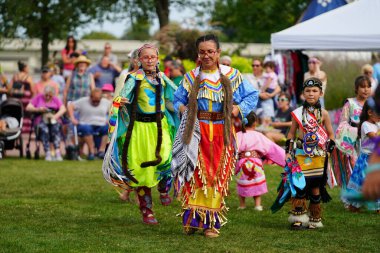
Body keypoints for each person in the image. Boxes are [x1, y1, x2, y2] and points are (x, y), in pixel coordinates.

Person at [172, 34, 258, 238]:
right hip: (196, 131)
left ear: (218, 52)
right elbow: (176, 99)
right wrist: (183, 109)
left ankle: (211, 223)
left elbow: (252, 95)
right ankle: (193, 219)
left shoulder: (231, 75)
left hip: (222, 131)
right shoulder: (192, 77)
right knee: (194, 173)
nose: (207, 55)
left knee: (216, 176)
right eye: (202, 52)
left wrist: (238, 109)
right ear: (198, 54)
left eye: (211, 51)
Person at [102, 44, 177, 225]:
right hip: (139, 130)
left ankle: (164, 186)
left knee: (168, 159)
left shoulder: (162, 77)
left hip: (160, 127)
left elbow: (178, 94)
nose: (150, 60)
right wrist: (120, 102)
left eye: (153, 57)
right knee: (141, 171)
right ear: (139, 60)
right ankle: (147, 210)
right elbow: (119, 98)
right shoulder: (134, 78)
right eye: (146, 57)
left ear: (158, 58)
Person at [281, 77, 335, 229]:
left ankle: (315, 218)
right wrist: (288, 152)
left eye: (315, 91)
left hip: (318, 155)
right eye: (308, 91)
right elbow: (291, 133)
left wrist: (329, 150)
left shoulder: (324, 114)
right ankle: (298, 217)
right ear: (303, 93)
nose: (311, 94)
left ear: (321, 93)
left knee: (315, 187)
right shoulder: (297, 114)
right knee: (299, 185)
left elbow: (331, 135)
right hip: (300, 154)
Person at [235, 111, 285, 211]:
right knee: (256, 182)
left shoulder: (237, 135)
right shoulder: (258, 135)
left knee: (242, 182)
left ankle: (242, 205)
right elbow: (272, 148)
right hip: (255, 163)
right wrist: (286, 158)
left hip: (241, 163)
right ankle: (257, 205)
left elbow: (231, 148)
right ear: (255, 123)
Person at [332, 76, 371, 188]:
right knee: (354, 167)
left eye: (368, 87)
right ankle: (353, 195)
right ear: (356, 88)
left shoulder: (373, 104)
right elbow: (343, 123)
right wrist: (356, 131)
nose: (366, 89)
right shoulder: (350, 103)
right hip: (353, 141)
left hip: (369, 141)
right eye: (363, 87)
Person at [342, 100, 380, 212]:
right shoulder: (365, 125)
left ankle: (378, 207)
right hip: (366, 161)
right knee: (362, 183)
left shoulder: (377, 123)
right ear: (370, 112)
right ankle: (354, 206)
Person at [67, 88, 111, 160]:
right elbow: (70, 105)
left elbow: (113, 111)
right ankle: (91, 152)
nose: (96, 102)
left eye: (98, 101)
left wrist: (108, 119)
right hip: (85, 124)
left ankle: (101, 151)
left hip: (101, 125)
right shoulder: (83, 101)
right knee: (86, 128)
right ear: (90, 97)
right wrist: (72, 118)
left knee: (108, 128)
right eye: (94, 100)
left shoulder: (106, 102)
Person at [26, 86, 66, 161]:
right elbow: (28, 107)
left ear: (53, 95)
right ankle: (47, 152)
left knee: (56, 128)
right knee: (44, 130)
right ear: (44, 93)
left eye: (49, 95)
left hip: (53, 120)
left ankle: (57, 152)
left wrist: (55, 116)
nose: (47, 97)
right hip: (40, 119)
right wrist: (38, 109)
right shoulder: (38, 97)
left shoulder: (56, 99)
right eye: (46, 95)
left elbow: (63, 109)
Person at [8, 61, 34, 133]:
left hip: (16, 98)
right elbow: (32, 90)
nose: (28, 69)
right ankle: (25, 129)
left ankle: (17, 127)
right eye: (27, 67)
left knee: (17, 112)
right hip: (26, 98)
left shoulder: (15, 76)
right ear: (24, 68)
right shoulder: (28, 77)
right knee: (26, 114)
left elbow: (9, 88)